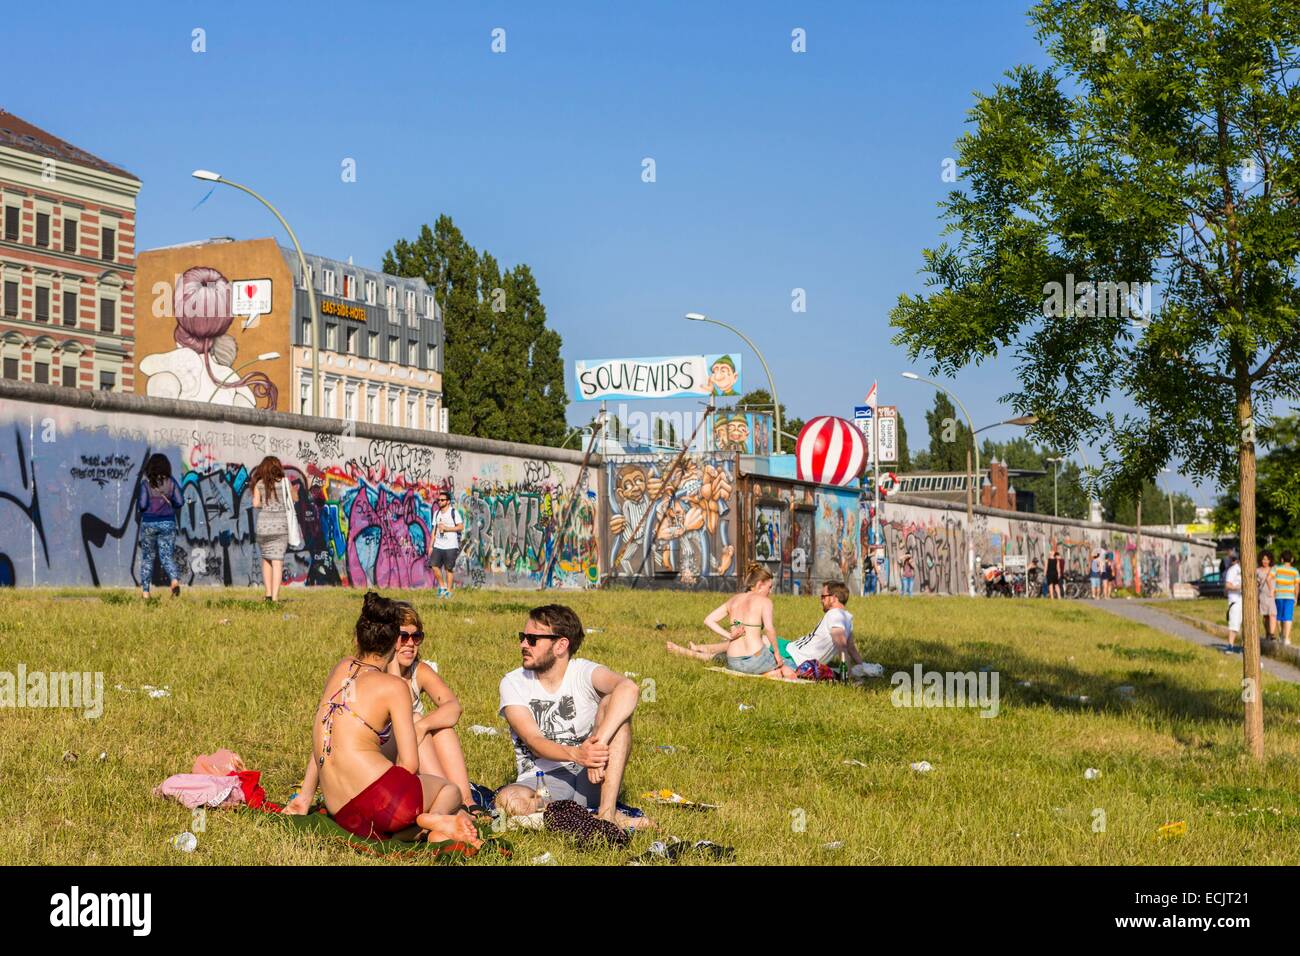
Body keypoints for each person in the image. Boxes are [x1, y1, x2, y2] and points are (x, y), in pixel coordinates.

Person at [285, 592, 479, 846]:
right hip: (381, 801)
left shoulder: (341, 669)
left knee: (388, 820)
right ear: (393, 645)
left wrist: (304, 798)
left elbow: (324, 734)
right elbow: (409, 764)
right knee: (449, 790)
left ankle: (411, 828)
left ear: (357, 638)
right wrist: (401, 798)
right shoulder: (394, 687)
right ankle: (430, 821)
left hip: (343, 811)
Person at [494, 604, 653, 830]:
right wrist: (579, 754)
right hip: (543, 783)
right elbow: (534, 742)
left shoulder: (583, 672)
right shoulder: (513, 682)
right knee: (508, 800)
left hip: (592, 777)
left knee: (613, 703)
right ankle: (589, 817)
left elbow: (630, 689)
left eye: (532, 639)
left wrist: (596, 747)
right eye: (523, 637)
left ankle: (605, 815)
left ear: (561, 645)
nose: (523, 644)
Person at [382, 601, 473, 806]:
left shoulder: (418, 671)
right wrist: (392, 664)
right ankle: (450, 801)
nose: (410, 643)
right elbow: (399, 709)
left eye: (416, 637)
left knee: (443, 729)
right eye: (403, 636)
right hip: (383, 753)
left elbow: (453, 707)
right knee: (412, 719)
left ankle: (467, 800)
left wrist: (422, 726)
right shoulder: (376, 673)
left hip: (413, 750)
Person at [665, 562, 786, 678]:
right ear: (759, 585)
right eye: (769, 587)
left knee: (723, 656)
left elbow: (708, 620)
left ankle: (693, 651)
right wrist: (776, 653)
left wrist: (729, 636)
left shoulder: (734, 600)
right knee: (787, 666)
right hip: (756, 660)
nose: (770, 592)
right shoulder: (765, 601)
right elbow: (769, 629)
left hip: (734, 662)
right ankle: (769, 672)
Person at [775, 581, 866, 678]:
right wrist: (863, 667)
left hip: (792, 657)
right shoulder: (846, 618)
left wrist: (848, 676)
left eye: (823, 596)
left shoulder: (835, 614)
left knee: (761, 644)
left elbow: (843, 647)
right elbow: (851, 648)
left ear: (834, 598)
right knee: (764, 640)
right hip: (790, 649)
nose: (821, 600)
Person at [136, 453, 184, 599]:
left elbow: (142, 505)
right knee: (166, 556)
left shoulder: (146, 484)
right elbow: (180, 502)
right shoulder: (171, 482)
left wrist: (143, 506)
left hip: (149, 523)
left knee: (148, 558)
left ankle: (145, 592)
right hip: (167, 523)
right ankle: (174, 580)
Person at [250, 456, 298, 603]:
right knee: (277, 561)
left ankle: (268, 595)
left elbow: (255, 504)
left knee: (266, 559)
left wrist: (267, 504)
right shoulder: (284, 482)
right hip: (279, 527)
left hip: (263, 526)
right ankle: (276, 599)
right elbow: (295, 499)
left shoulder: (259, 483)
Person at [426, 489, 464, 598]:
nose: (440, 502)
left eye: (442, 500)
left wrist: (447, 528)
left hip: (451, 545)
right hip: (438, 545)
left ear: (448, 501)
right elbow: (434, 530)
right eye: (439, 500)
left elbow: (461, 527)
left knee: (448, 569)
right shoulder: (436, 513)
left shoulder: (453, 512)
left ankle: (448, 591)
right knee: (434, 565)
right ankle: (442, 587)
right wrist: (431, 546)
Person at [1274, 550, 1298, 646]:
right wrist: (1296, 597)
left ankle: (1281, 635)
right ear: (1292, 559)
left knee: (1278, 616)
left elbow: (1270, 579)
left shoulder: (1276, 569)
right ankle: (1286, 638)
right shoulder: (1295, 571)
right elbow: (1297, 586)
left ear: (1281, 559)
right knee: (1288, 617)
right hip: (1289, 596)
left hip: (1278, 595)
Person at [1258, 551, 1277, 640]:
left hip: (1272, 595)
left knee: (1272, 614)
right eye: (1263, 559)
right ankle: (1268, 633)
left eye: (1267, 559)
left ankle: (1272, 634)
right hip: (1262, 595)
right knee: (1265, 616)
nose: (1265, 561)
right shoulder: (1257, 570)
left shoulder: (1274, 569)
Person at [1225, 551, 1243, 647]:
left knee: (1246, 624)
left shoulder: (1249, 570)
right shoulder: (1233, 570)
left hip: (1246, 600)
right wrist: (1239, 587)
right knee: (1234, 623)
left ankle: (1244, 646)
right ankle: (1230, 645)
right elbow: (1227, 585)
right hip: (1235, 600)